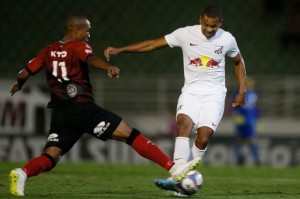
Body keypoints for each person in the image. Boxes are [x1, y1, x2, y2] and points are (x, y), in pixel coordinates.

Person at [8, 14, 201, 197]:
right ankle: (173, 168)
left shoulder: (47, 50)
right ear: (75, 30)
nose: (89, 35)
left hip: (61, 113)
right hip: (82, 108)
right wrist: (107, 67)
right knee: (130, 134)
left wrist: (18, 85)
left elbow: (25, 72)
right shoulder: (79, 46)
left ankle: (22, 172)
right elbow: (90, 59)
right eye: (87, 30)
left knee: (51, 156)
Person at [104, 5, 246, 195]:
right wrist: (122, 50)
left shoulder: (227, 39)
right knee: (184, 124)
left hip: (215, 94)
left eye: (213, 26)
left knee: (203, 136)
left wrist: (242, 91)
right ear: (200, 20)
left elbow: (238, 62)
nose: (209, 29)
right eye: (205, 25)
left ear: (220, 23)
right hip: (191, 92)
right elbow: (153, 44)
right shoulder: (185, 34)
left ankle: (187, 175)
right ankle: (179, 175)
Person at [231, 77, 260, 165]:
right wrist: (257, 118)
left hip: (242, 120)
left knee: (240, 140)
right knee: (249, 140)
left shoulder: (238, 93)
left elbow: (233, 105)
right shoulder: (254, 94)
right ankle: (256, 159)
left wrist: (235, 114)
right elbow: (256, 108)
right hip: (250, 121)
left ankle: (240, 157)